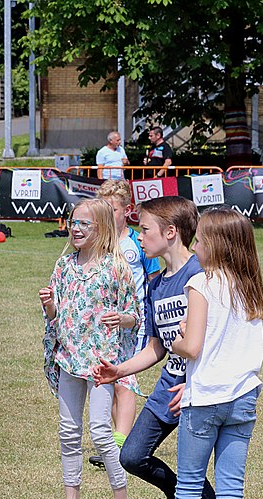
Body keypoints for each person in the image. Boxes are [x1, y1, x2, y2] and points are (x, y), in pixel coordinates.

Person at [93, 196, 220, 499]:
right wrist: (118, 370)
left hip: (200, 389)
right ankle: (176, 494)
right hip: (169, 386)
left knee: (194, 469)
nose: (139, 236)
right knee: (131, 455)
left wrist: (197, 387)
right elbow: (155, 348)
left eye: (145, 229)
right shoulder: (153, 283)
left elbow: (212, 342)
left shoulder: (201, 275)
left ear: (170, 232)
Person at [38, 198, 141, 499]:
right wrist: (51, 307)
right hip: (69, 358)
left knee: (99, 430)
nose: (76, 229)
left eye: (85, 224)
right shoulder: (64, 265)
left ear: (101, 228)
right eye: (73, 222)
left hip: (101, 363)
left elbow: (135, 316)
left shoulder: (116, 267)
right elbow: (54, 318)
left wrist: (122, 318)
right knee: (68, 432)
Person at [169, 207, 263, 499]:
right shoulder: (249, 284)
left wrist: (176, 339)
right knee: (230, 492)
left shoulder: (200, 283)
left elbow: (192, 347)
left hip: (207, 398)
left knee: (189, 487)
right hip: (243, 396)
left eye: (199, 240)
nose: (194, 246)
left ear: (217, 245)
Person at [89, 180, 161, 469]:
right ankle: (117, 440)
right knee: (109, 376)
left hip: (135, 322)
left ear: (127, 210)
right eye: (102, 209)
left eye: (113, 209)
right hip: (104, 324)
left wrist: (154, 313)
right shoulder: (98, 243)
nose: (107, 214)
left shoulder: (137, 243)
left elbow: (154, 279)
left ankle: (118, 445)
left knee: (125, 380)